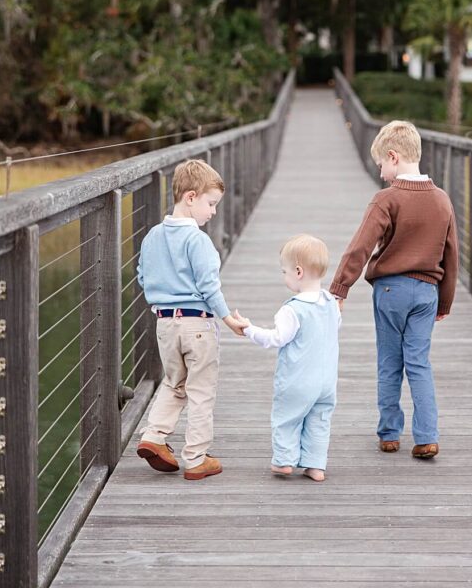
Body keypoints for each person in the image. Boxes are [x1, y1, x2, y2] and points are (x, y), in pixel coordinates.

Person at [329, 120, 459, 458]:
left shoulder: (387, 199)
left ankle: (389, 433)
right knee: (419, 363)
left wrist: (340, 288)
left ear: (393, 156)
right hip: (427, 293)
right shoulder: (442, 200)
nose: (383, 173)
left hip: (390, 291)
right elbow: (451, 254)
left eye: (382, 166)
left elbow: (361, 245)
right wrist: (445, 301)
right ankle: (427, 436)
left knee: (390, 362)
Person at [136, 158, 247, 480]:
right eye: (210, 204)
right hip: (197, 324)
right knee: (200, 391)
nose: (212, 212)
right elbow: (209, 285)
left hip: (165, 324)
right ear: (190, 197)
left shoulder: (153, 236)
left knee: (174, 383)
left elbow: (142, 276)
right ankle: (196, 458)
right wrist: (226, 319)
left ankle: (153, 437)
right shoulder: (197, 240)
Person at [235, 234, 340, 482]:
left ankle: (283, 461)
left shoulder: (292, 309)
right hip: (326, 381)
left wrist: (249, 329)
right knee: (319, 421)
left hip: (297, 381)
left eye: (284, 272)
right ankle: (315, 466)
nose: (284, 277)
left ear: (298, 271)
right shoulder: (331, 303)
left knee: (286, 419)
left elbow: (276, 338)